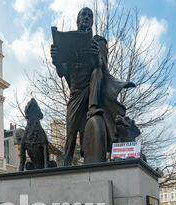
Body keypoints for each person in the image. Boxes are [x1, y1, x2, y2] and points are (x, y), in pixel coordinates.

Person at [51, 7, 135, 165]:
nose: (87, 18)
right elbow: (62, 72)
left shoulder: (98, 41)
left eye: (90, 16)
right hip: (76, 93)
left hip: (94, 89)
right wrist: (56, 60)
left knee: (96, 71)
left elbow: (102, 67)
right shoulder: (68, 43)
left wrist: (97, 55)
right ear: (78, 20)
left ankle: (92, 107)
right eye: (84, 15)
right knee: (70, 135)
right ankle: (65, 168)